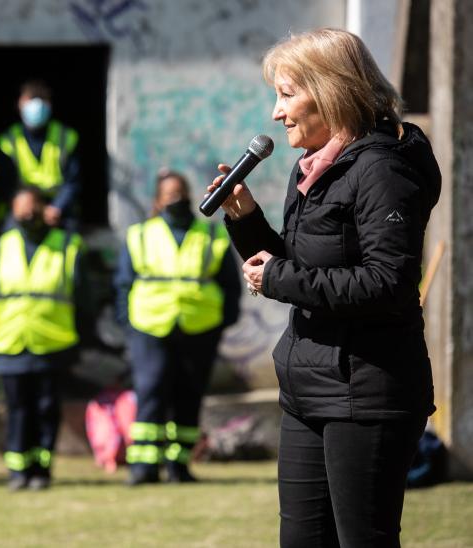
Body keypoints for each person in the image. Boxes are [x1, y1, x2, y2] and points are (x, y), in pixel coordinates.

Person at [208, 28, 440, 547]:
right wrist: (246, 222)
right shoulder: (313, 168)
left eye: (287, 94)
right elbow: (305, 265)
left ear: (331, 90)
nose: (276, 112)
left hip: (366, 392)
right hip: (306, 387)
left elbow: (389, 282)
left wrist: (278, 278)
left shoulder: (382, 169)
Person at [114, 170, 241, 486]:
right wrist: (128, 325)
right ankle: (143, 466)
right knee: (151, 388)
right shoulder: (140, 235)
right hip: (149, 325)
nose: (177, 198)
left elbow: (230, 285)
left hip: (200, 327)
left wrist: (221, 322)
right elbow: (122, 286)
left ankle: (179, 466)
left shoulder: (210, 234)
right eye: (169, 194)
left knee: (189, 395)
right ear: (158, 201)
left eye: (181, 192)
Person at [0, 186, 91, 491]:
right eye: (20, 208)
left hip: (53, 341)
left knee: (47, 408)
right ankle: (18, 470)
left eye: (33, 206)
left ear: (46, 209)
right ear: (11, 212)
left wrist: (80, 341)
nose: (27, 213)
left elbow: (83, 299)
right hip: (8, 342)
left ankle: (42, 469)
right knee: (17, 408)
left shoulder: (68, 245)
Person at [0, 80, 80, 228]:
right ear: (19, 104)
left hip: (57, 207)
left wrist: (57, 207)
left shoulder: (66, 137)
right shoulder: (8, 140)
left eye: (41, 99)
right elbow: (4, 184)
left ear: (50, 105)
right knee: (11, 238)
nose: (36, 105)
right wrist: (21, 203)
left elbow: (73, 182)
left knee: (69, 240)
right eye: (29, 99)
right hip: (21, 206)